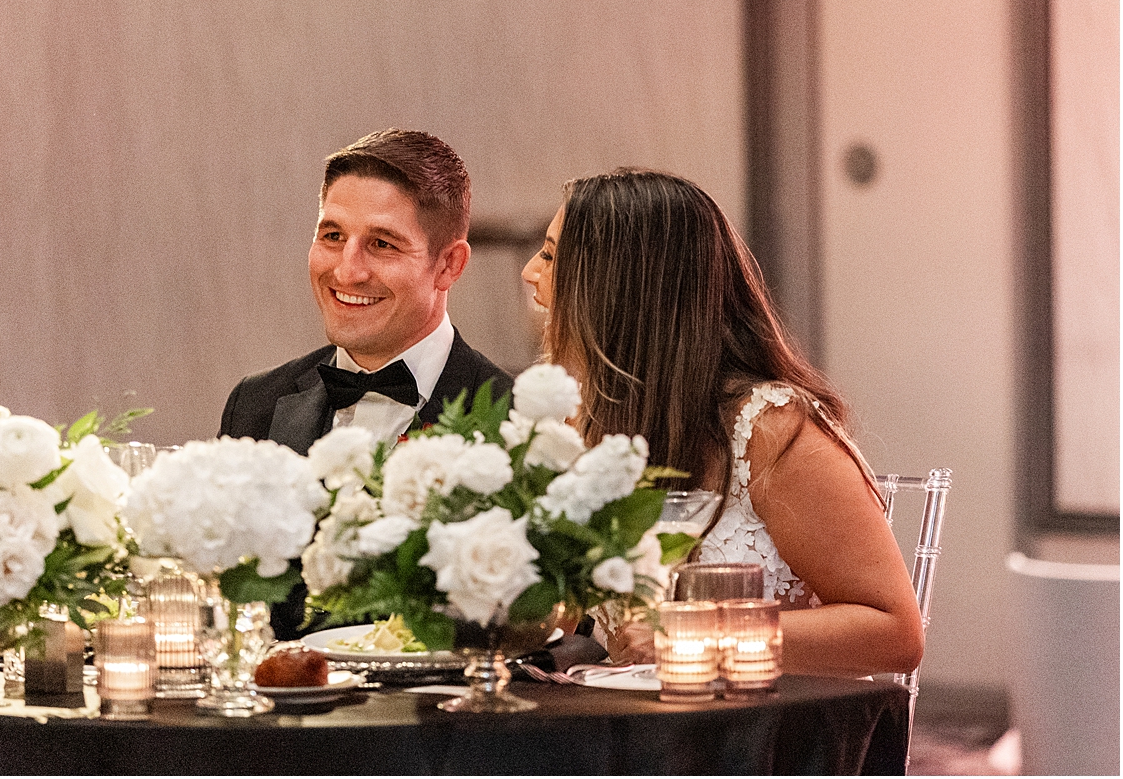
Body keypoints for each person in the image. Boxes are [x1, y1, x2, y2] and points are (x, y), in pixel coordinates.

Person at [522, 169, 924, 678]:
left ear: (622, 286)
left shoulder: (769, 429)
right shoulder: (585, 421)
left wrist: (697, 632)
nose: (530, 272)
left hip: (753, 735)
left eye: (552, 256)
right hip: (623, 724)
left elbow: (894, 634)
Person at [220, 129, 511, 639]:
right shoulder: (256, 404)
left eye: (381, 244)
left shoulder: (513, 420)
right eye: (332, 236)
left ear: (449, 265)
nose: (347, 270)